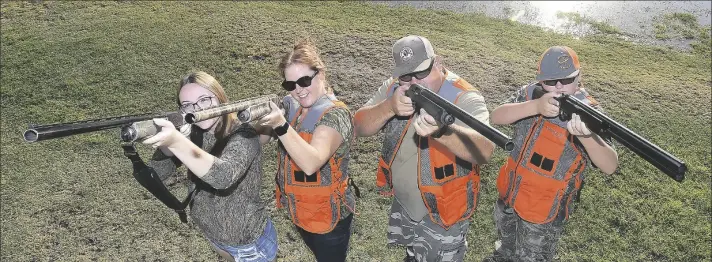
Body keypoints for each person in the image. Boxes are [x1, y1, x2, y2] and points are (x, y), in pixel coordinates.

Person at [352, 35, 495, 262]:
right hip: (405, 204)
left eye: (421, 73)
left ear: (437, 63)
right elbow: (357, 126)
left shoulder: (464, 97)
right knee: (412, 254)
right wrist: (389, 107)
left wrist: (443, 132)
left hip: (444, 213)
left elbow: (485, 150)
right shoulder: (394, 89)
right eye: (406, 76)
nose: (414, 83)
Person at [486, 46, 618, 262]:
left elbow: (610, 165)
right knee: (505, 250)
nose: (558, 86)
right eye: (550, 81)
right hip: (509, 197)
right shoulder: (530, 93)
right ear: (540, 81)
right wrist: (535, 106)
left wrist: (585, 136)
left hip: (544, 213)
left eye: (567, 80)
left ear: (579, 77)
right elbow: (497, 117)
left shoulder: (590, 112)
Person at [142, 71, 278, 261]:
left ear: (220, 97)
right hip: (214, 235)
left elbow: (223, 176)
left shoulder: (244, 134)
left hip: (249, 244)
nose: (196, 109)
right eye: (187, 105)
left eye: (204, 100)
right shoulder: (192, 133)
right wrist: (168, 147)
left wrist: (176, 143)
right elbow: (156, 175)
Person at [254, 39, 356, 262]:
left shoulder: (335, 115)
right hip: (301, 209)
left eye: (304, 80)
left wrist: (280, 125)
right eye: (290, 85)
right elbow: (260, 139)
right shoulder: (293, 106)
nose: (298, 90)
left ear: (320, 74)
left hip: (330, 219)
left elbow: (312, 163)